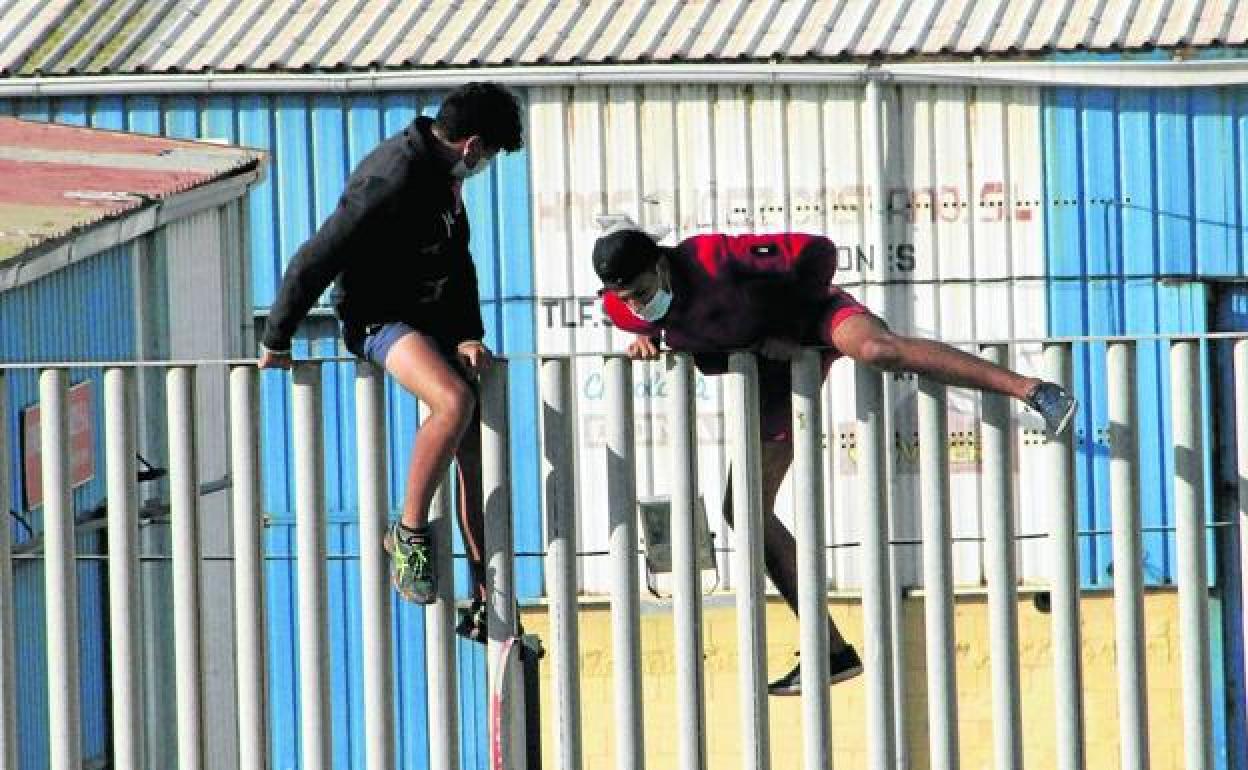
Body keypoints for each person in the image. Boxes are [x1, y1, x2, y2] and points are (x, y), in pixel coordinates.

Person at [593, 226, 1076, 696]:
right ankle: (831, 651)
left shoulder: (714, 258)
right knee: (744, 512)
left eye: (641, 291)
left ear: (660, 263)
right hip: (770, 370)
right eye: (627, 299)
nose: (635, 303)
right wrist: (649, 336)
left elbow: (817, 252)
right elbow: (666, 326)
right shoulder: (625, 308)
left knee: (876, 349)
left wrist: (790, 328)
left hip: (816, 321)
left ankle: (1033, 390)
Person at [258, 82, 523, 639]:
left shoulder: (444, 173)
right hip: (379, 318)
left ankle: (483, 592)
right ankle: (408, 532)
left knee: (473, 439)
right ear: (473, 147)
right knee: (452, 404)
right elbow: (316, 257)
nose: (487, 166)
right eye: (492, 156)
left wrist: (470, 334)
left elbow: (460, 260)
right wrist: (278, 337)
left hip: (431, 318)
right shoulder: (391, 177)